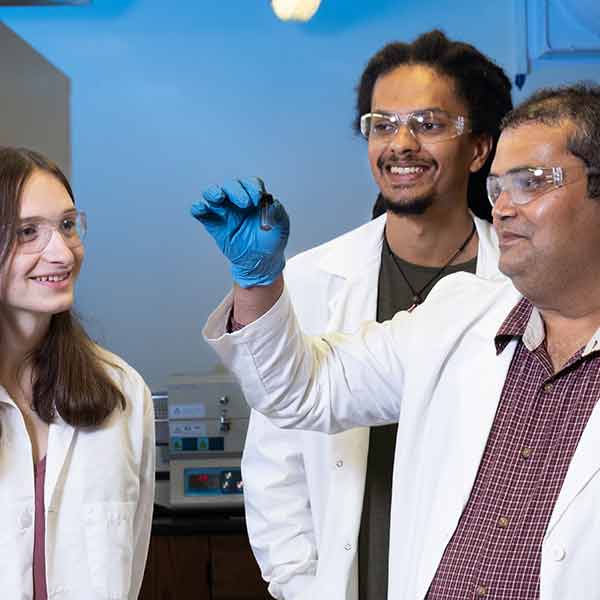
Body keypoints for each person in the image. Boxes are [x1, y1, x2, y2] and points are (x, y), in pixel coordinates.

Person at [199, 82, 600, 599]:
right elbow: (301, 391)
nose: (502, 208)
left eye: (530, 183)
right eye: (498, 187)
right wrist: (257, 281)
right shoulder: (458, 318)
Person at [237, 30, 512, 600]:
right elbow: (275, 464)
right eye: (382, 124)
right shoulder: (314, 280)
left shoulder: (515, 285)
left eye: (429, 124)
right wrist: (302, 585)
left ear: (479, 148)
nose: (401, 143)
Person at [0, 147, 155, 599]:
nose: (62, 252)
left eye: (68, 226)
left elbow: (132, 563)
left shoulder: (122, 393)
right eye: (29, 232)